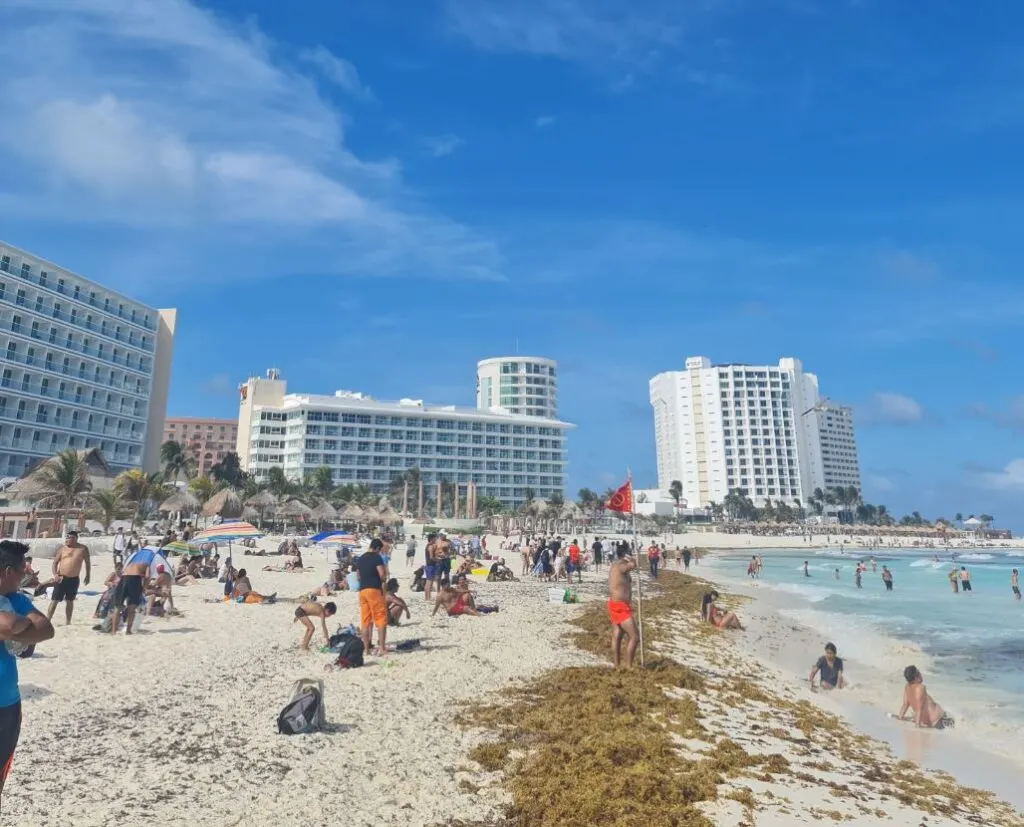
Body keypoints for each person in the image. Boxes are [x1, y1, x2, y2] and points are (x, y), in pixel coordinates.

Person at [0, 540, 55, 810]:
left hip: (9, 704)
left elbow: (46, 629)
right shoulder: (15, 604)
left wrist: (16, 629)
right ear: (8, 571)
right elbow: (7, 624)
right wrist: (18, 625)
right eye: (23, 571)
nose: (25, 576)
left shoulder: (16, 599)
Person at [47, 530, 91, 626]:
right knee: (55, 600)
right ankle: (48, 621)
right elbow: (55, 562)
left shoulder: (83, 549)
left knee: (70, 601)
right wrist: (55, 575)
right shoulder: (63, 549)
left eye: (69, 537)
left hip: (74, 579)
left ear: (75, 538)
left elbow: (87, 562)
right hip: (61, 578)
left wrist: (88, 575)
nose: (66, 539)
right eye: (66, 537)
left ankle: (68, 622)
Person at [356, 538, 389, 657]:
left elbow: (358, 577)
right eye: (379, 550)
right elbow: (382, 575)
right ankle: (382, 648)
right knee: (381, 619)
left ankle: (366, 650)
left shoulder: (361, 558)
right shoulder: (376, 557)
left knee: (365, 621)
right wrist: (384, 578)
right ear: (377, 548)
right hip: (373, 590)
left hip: (362, 591)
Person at [607, 544, 639, 668]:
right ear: (624, 554)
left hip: (618, 604)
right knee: (635, 637)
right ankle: (629, 667)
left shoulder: (617, 566)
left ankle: (617, 666)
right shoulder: (620, 566)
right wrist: (631, 558)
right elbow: (633, 565)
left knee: (618, 635)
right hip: (619, 606)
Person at [111, 548, 150, 635]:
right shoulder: (147, 563)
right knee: (131, 608)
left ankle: (113, 631)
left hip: (123, 579)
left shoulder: (130, 562)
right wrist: (144, 588)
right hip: (134, 580)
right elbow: (147, 577)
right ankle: (128, 630)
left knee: (118, 607)